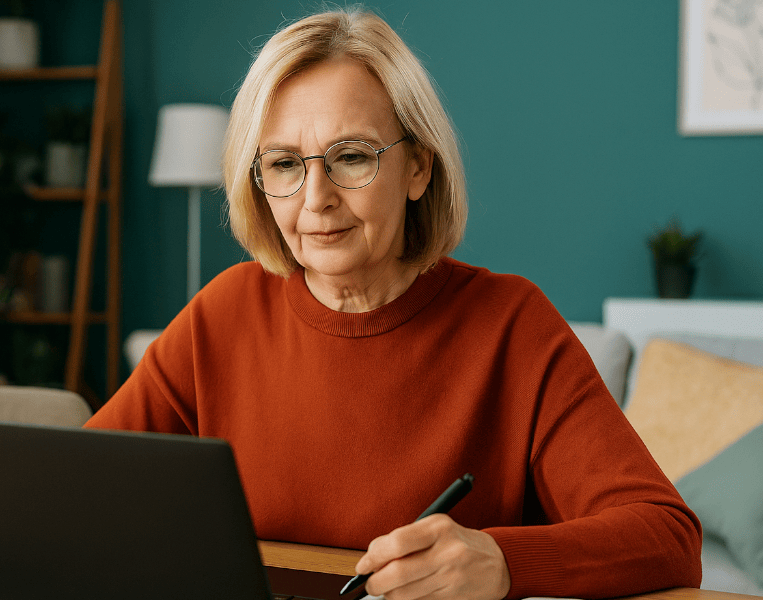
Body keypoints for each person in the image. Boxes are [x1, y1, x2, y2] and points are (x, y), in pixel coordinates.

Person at [85, 8, 702, 600]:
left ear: (418, 170)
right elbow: (76, 489)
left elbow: (667, 536)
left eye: (352, 156)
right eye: (283, 164)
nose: (316, 197)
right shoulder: (224, 312)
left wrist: (505, 563)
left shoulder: (510, 323)